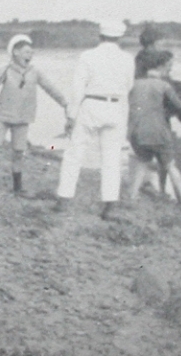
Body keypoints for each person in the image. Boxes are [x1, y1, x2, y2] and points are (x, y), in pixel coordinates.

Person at [0, 34, 68, 197]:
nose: (30, 55)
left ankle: (18, 189)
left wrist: (65, 103)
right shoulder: (7, 69)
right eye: (26, 52)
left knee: (19, 152)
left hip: (23, 118)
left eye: (31, 52)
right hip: (3, 116)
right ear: (15, 52)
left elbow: (50, 88)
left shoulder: (35, 72)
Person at [54, 20, 135, 220]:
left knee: (74, 153)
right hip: (115, 106)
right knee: (112, 158)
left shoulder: (88, 56)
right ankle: (110, 206)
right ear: (120, 37)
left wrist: (71, 116)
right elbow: (128, 87)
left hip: (91, 104)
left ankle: (64, 199)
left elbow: (78, 88)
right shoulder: (127, 59)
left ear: (100, 36)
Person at [128, 50, 181, 210]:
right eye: (168, 66)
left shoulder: (134, 84)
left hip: (137, 132)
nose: (169, 69)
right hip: (158, 132)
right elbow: (180, 106)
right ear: (160, 67)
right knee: (170, 165)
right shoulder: (164, 85)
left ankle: (132, 197)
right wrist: (166, 113)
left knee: (142, 162)